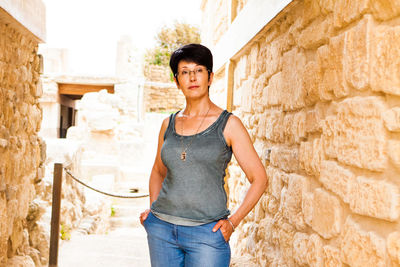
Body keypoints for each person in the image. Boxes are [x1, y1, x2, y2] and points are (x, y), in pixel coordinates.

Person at [140, 43, 268, 267]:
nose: (192, 78)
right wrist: (153, 212)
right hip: (162, 231)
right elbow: (158, 171)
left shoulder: (229, 124)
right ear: (176, 80)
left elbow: (259, 178)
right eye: (185, 72)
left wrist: (233, 222)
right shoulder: (167, 124)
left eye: (199, 70)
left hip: (207, 235)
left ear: (209, 77)